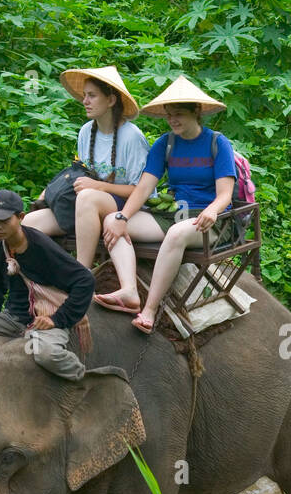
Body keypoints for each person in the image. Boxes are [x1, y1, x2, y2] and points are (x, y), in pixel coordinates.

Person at [97, 76, 236, 334]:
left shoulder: (217, 143)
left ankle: (149, 311)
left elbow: (225, 194)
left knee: (176, 233)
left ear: (196, 112)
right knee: (112, 220)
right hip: (173, 212)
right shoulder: (166, 143)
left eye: (179, 114)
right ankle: (129, 291)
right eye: (169, 115)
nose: (172, 120)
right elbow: (145, 187)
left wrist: (212, 210)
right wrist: (123, 218)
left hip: (209, 219)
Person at [0, 190, 94, 381]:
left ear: (20, 217)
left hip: (44, 315)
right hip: (13, 317)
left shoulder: (41, 246)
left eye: (4, 220)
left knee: (47, 355)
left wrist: (57, 319)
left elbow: (85, 280)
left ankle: (83, 380)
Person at [24, 67, 152, 272]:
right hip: (86, 208)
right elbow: (80, 174)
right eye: (84, 96)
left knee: (88, 197)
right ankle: (48, 277)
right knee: (30, 223)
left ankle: (81, 275)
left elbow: (141, 191)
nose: (85, 101)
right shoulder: (86, 131)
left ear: (111, 100)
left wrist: (98, 187)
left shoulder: (132, 137)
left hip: (125, 208)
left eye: (92, 96)